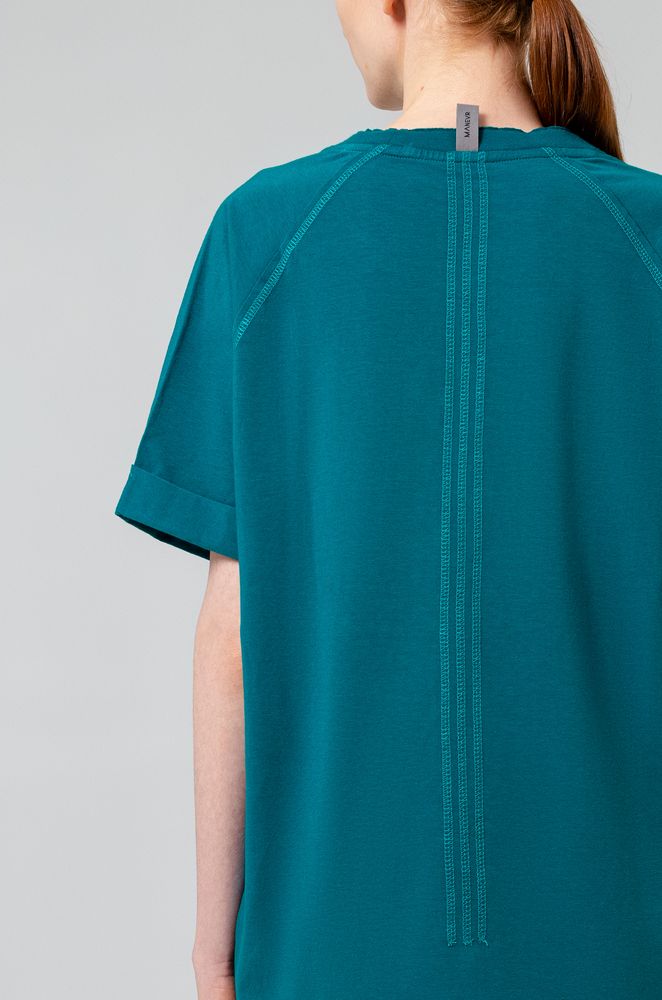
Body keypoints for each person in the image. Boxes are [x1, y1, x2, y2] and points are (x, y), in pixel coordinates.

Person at [114, 0, 662, 997]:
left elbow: (233, 639)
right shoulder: (647, 239)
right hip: (620, 941)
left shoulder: (266, 232)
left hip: (328, 949)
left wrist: (211, 950)